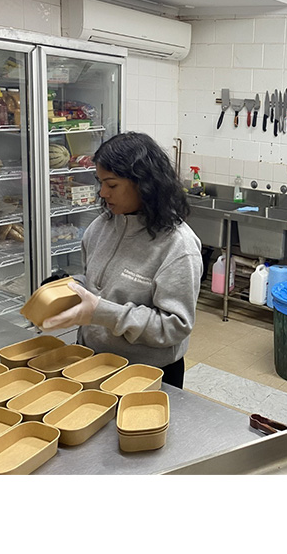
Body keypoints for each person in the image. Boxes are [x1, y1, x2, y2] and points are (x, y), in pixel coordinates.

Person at [41, 132, 202, 389]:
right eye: (100, 182)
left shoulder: (178, 246)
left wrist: (101, 312)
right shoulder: (102, 226)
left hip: (146, 374)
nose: (103, 192)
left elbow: (174, 327)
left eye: (112, 184)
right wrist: (68, 287)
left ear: (143, 183)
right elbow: (96, 283)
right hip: (92, 359)